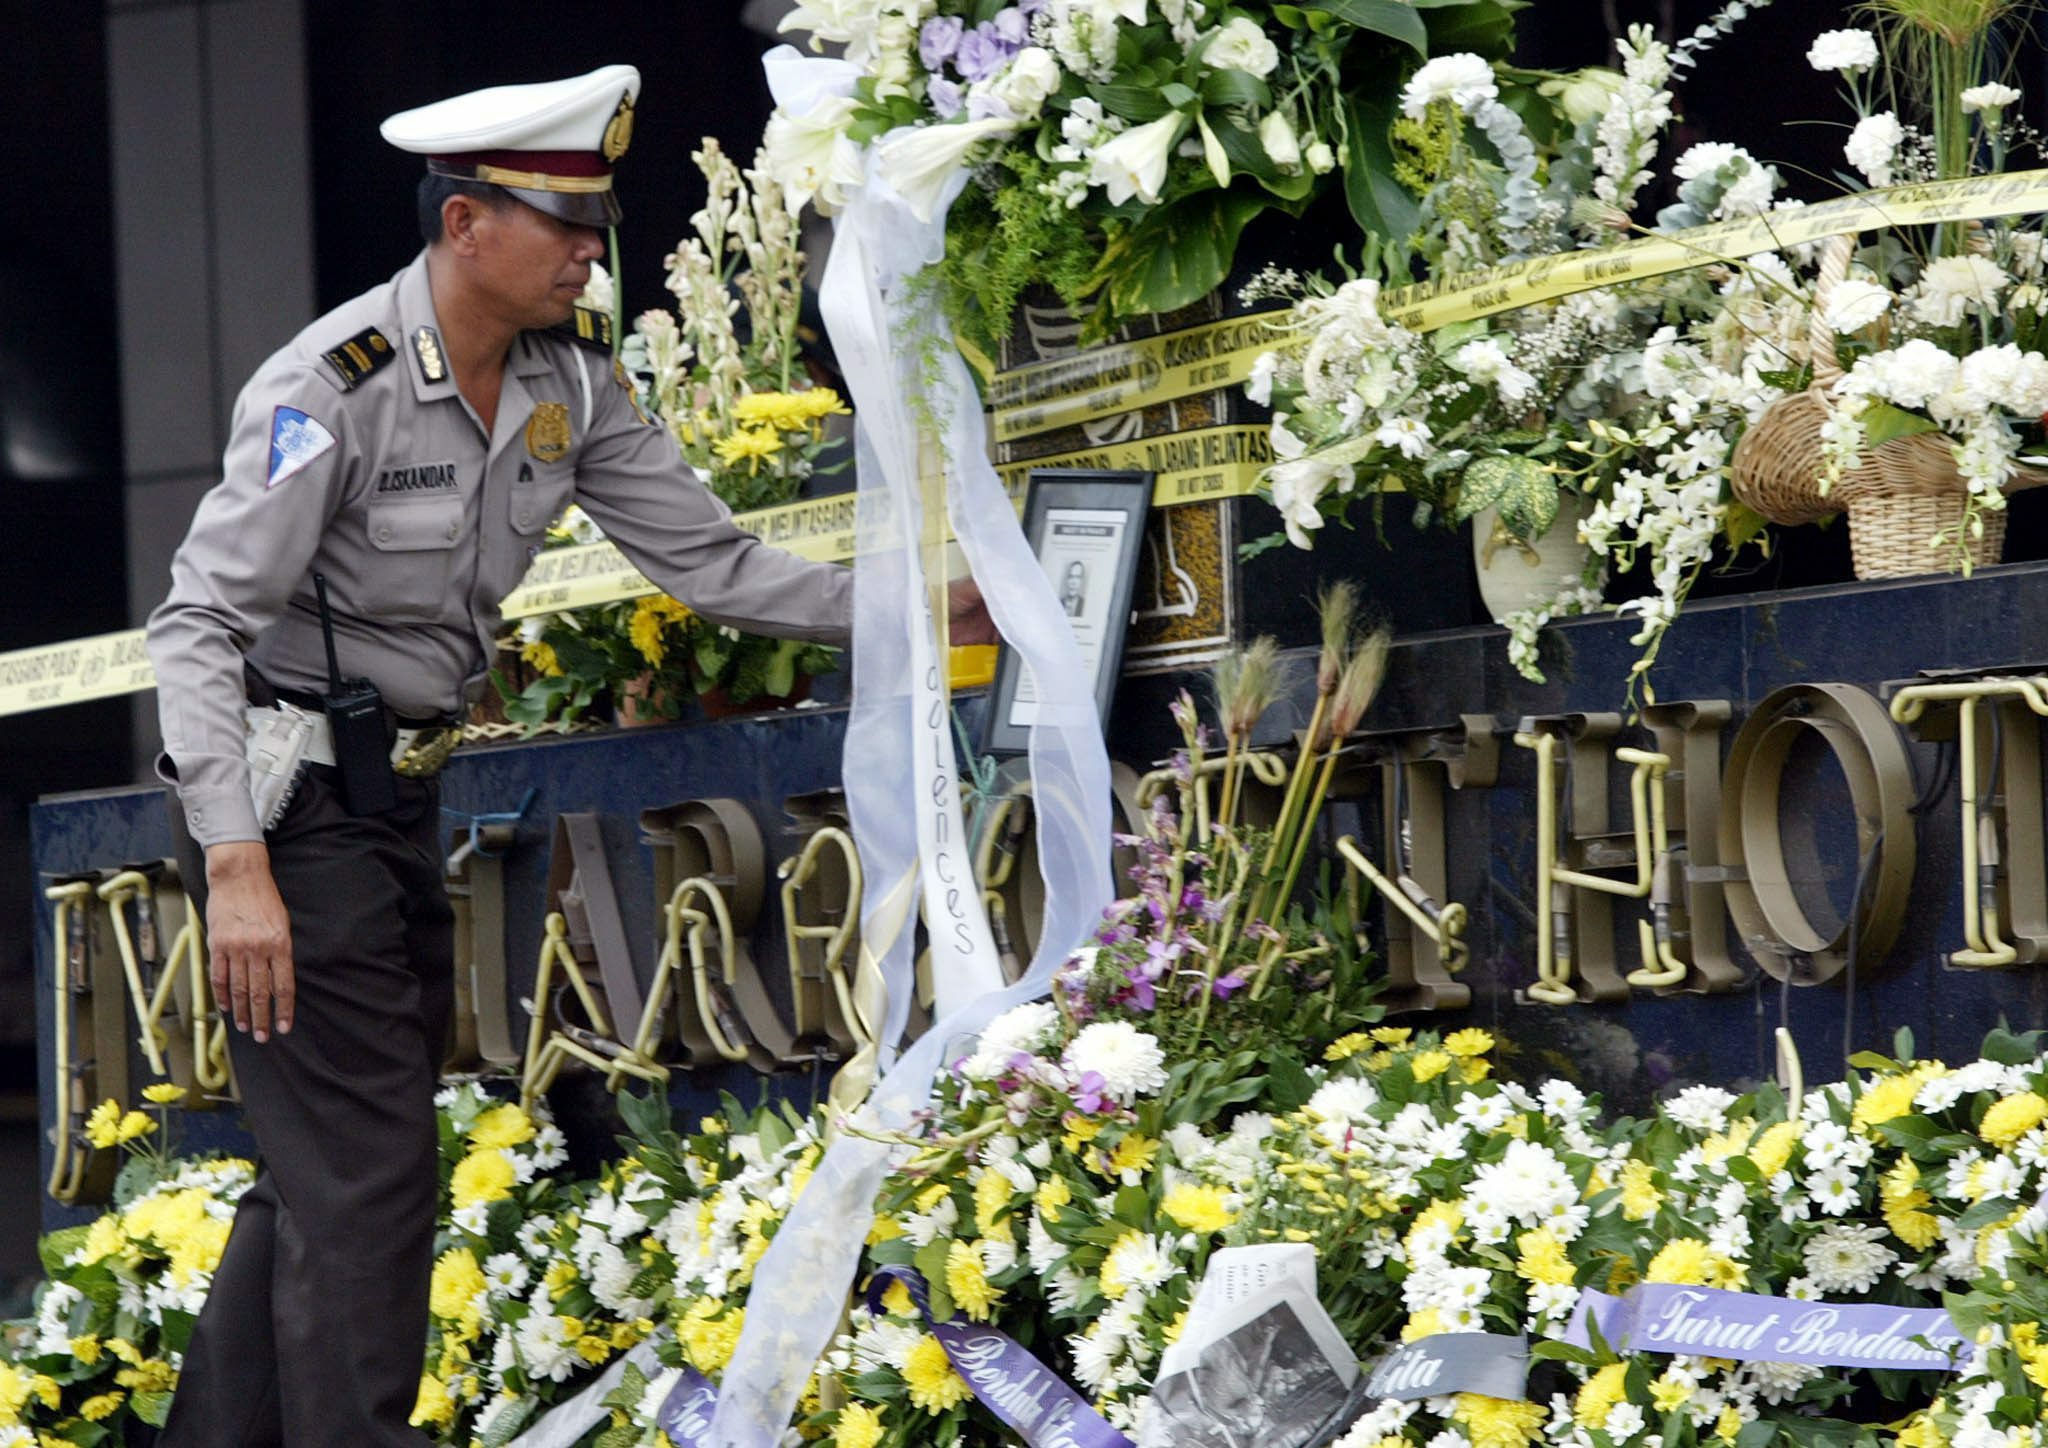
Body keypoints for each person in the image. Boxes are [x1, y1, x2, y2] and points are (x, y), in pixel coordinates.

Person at [145, 65, 992, 1447]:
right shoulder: (331, 385)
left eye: (600, 229)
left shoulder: (568, 386)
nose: (592, 257)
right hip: (286, 804)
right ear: (466, 222)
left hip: (392, 801)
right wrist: (235, 861)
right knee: (366, 1171)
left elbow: (711, 563)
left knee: (322, 1170)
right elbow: (196, 625)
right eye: (564, 226)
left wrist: (921, 607)